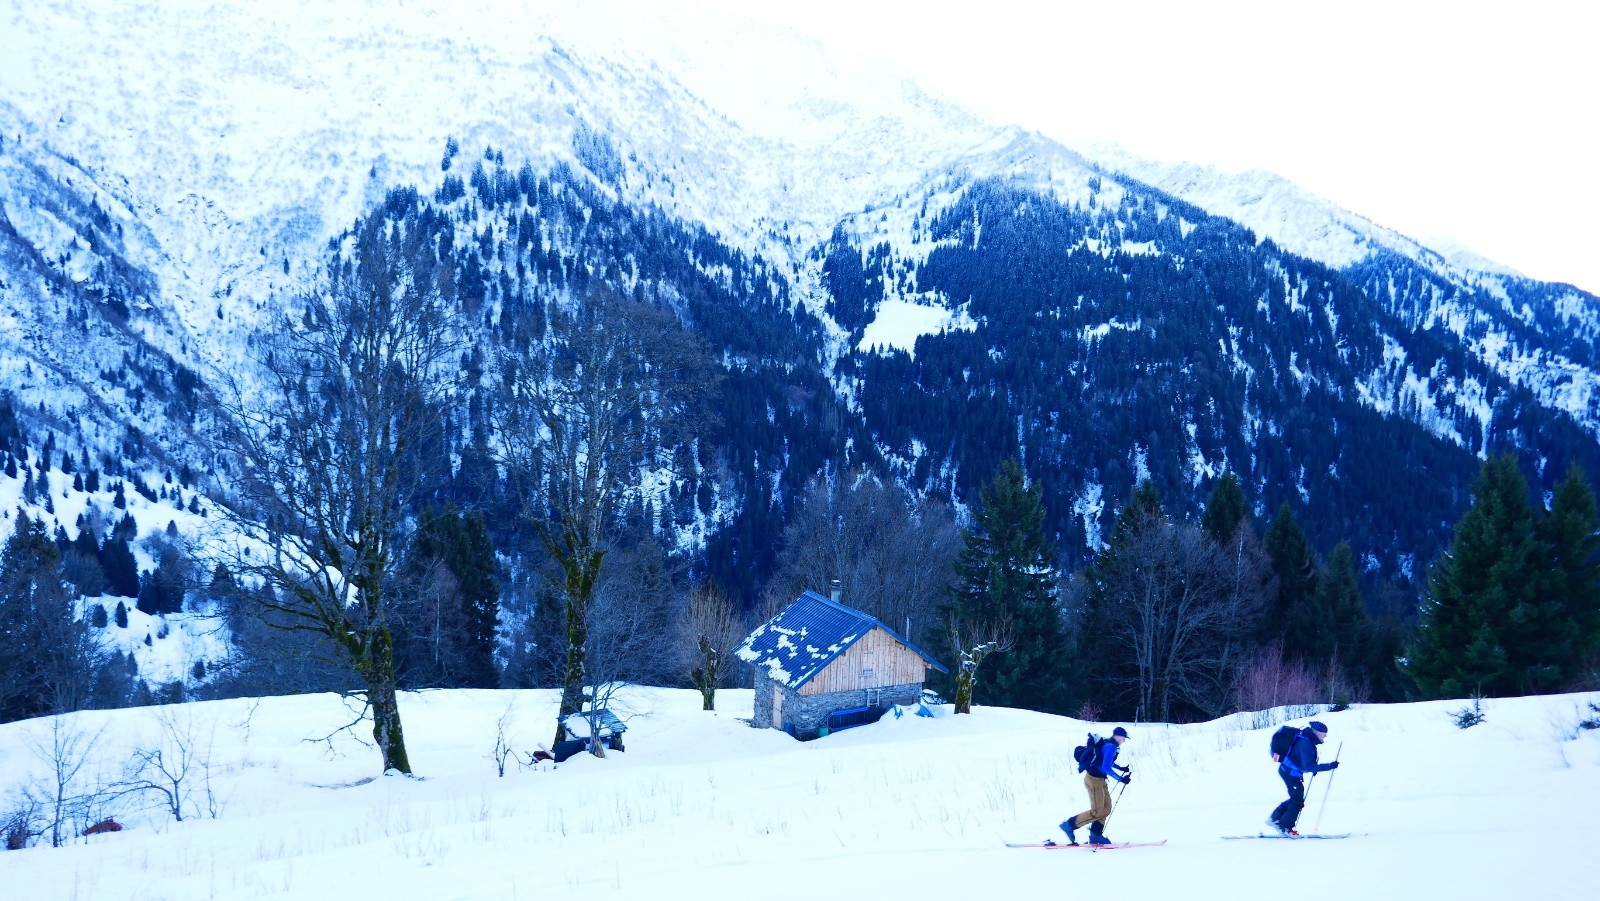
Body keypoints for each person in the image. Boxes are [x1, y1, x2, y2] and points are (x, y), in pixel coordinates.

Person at [1059, 726, 1132, 845]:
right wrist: (1121, 779)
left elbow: (1107, 761)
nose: (1124, 741)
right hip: (1094, 780)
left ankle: (1095, 836)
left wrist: (1121, 768)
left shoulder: (1109, 744)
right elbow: (1106, 767)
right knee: (1097, 811)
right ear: (1118, 736)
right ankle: (1069, 825)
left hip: (1100, 780)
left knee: (1106, 808)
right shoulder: (1111, 746)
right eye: (1124, 738)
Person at [1268, 720, 1339, 836]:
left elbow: (1303, 762)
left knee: (1296, 799)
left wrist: (1314, 768)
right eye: (1324, 733)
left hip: (1288, 771)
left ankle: (1274, 818)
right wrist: (1329, 766)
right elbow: (1307, 767)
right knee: (1297, 802)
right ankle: (1285, 827)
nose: (1325, 736)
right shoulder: (1306, 744)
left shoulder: (1306, 739)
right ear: (1317, 732)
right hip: (1290, 774)